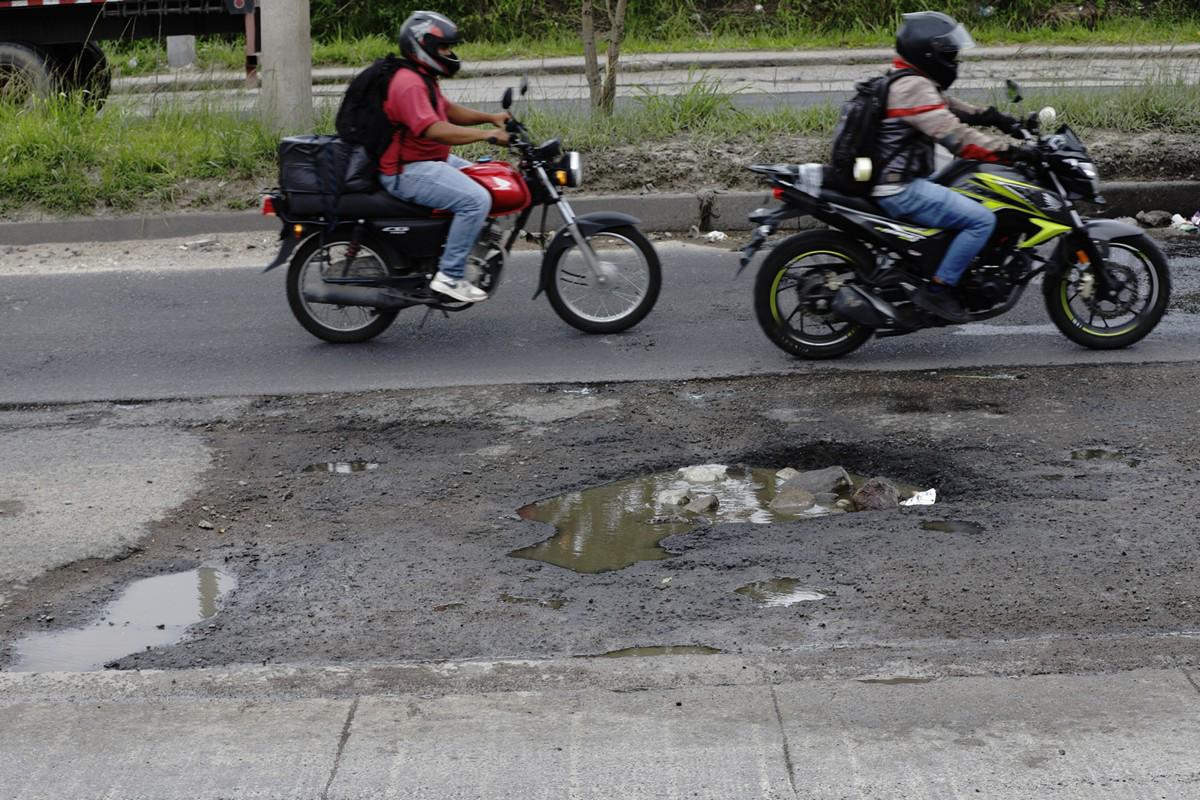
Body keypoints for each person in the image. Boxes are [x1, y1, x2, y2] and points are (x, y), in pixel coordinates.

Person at [872, 11, 1033, 323]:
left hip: (895, 176)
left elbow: (947, 107)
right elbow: (957, 138)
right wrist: (1012, 152)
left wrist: (992, 116)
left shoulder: (907, 80)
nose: (955, 60)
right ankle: (938, 289)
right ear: (928, 54)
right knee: (981, 220)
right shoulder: (913, 87)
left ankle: (941, 263)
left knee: (963, 183)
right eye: (950, 55)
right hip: (898, 187)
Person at [380, 10, 511, 304]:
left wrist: (491, 117)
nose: (449, 53)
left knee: (489, 176)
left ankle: (457, 249)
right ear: (421, 45)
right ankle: (450, 275)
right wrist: (487, 135)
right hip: (406, 170)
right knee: (475, 199)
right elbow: (434, 129)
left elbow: (447, 111)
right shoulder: (409, 83)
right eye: (443, 48)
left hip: (426, 161)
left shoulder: (422, 76)